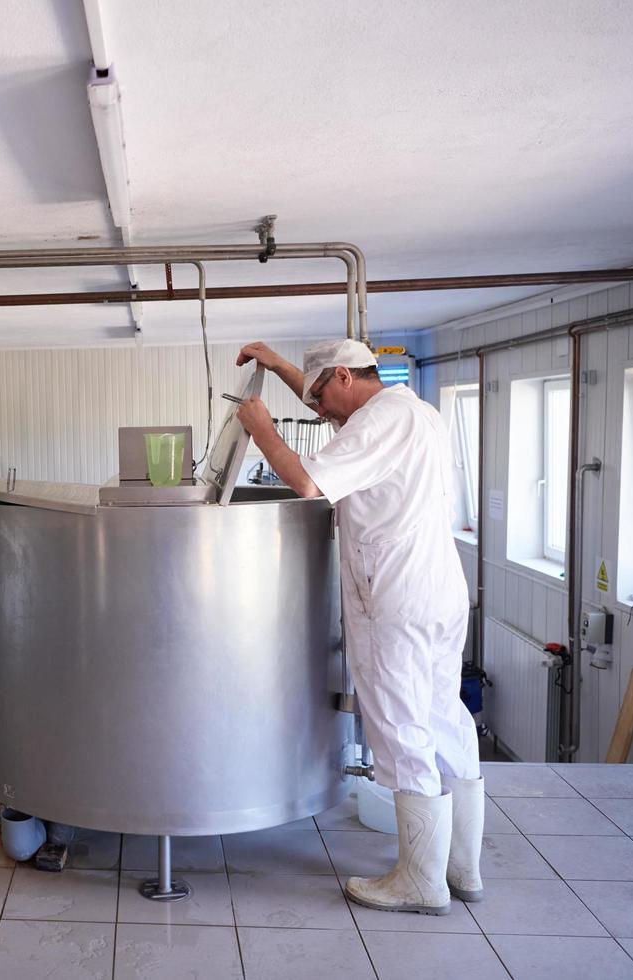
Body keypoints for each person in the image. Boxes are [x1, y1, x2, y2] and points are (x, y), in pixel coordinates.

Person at [234, 338, 483, 916]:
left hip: (393, 599)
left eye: (321, 397)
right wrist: (276, 363)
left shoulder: (375, 423)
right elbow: (325, 396)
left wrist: (261, 427)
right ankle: (461, 868)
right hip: (439, 592)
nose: (318, 411)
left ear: (345, 377)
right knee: (446, 717)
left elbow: (307, 484)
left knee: (401, 728)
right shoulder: (414, 410)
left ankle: (421, 884)